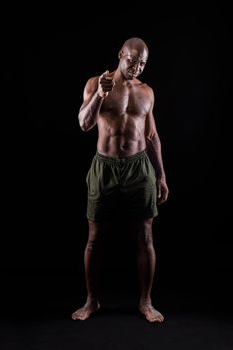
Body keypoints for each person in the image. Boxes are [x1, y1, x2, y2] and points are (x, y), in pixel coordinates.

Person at [71, 37, 169, 323]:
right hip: (105, 166)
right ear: (120, 54)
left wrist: (161, 174)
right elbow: (84, 124)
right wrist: (100, 96)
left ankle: (146, 302)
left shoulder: (147, 92)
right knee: (95, 239)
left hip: (139, 169)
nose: (137, 67)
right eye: (132, 60)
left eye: (142, 63)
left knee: (145, 237)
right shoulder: (96, 83)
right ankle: (91, 301)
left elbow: (151, 135)